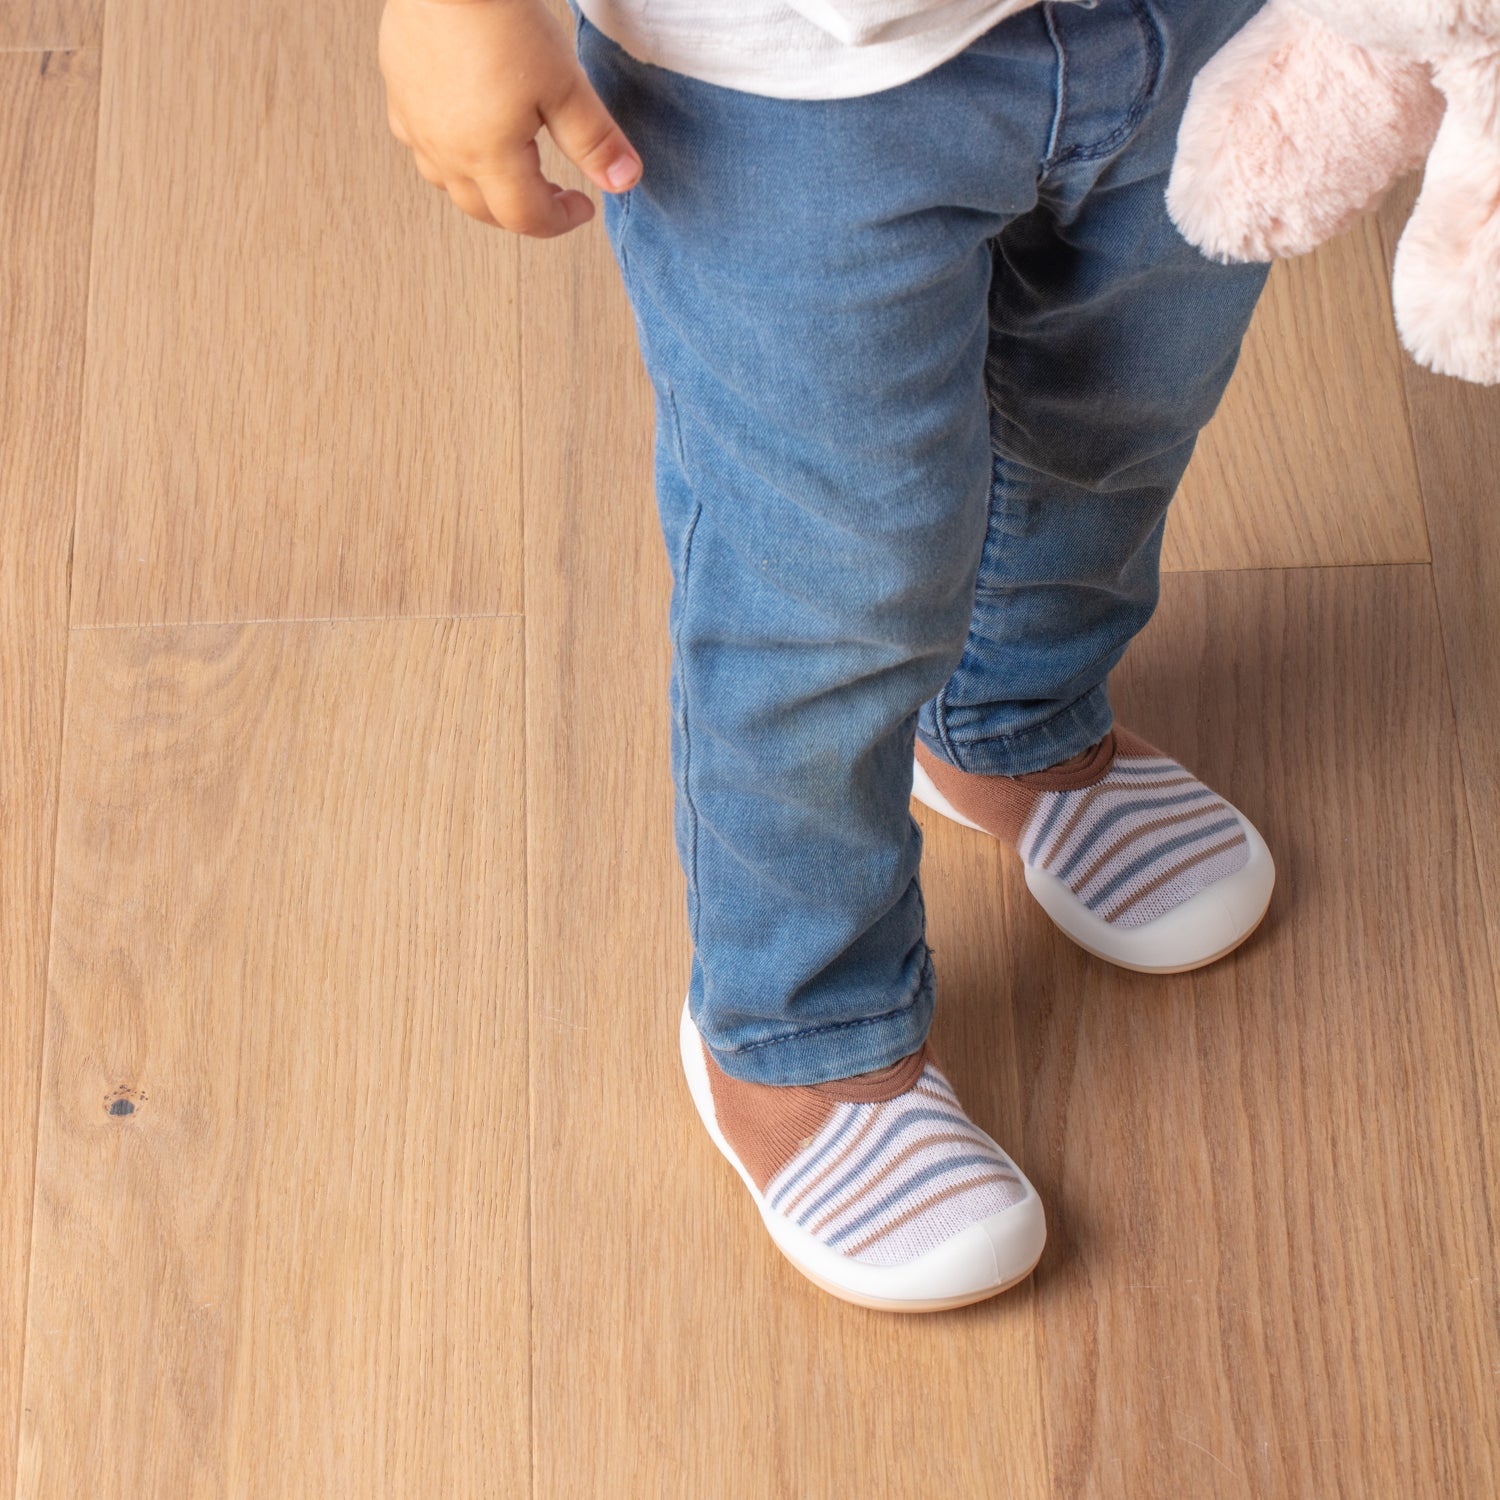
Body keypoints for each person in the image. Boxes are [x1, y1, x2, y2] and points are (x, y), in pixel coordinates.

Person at [378, 0, 1277, 1312]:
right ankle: (801, 1022)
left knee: (1120, 411)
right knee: (832, 571)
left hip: (1201, 32)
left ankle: (1014, 723)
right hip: (782, 88)